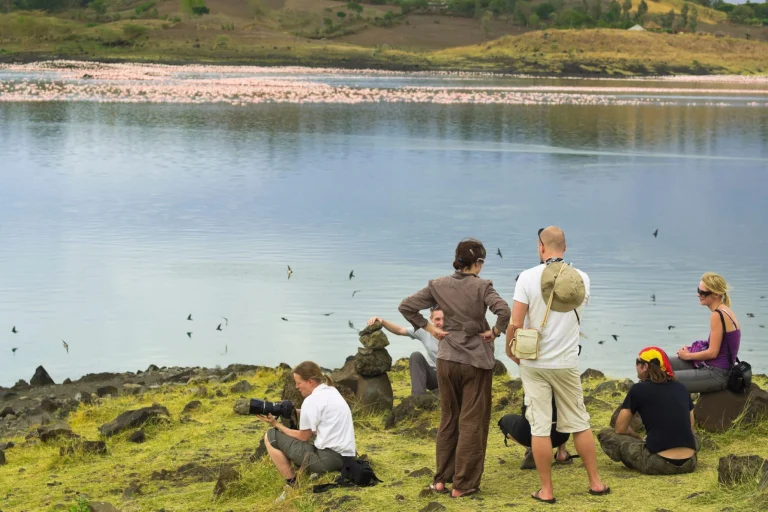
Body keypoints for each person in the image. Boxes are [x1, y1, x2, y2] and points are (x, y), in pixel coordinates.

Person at [399, 238, 510, 498]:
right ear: (478, 263)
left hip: (446, 361)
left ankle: (441, 480)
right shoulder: (483, 287)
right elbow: (503, 311)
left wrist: (431, 329)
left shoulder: (438, 285)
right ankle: (463, 484)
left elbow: (406, 307)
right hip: (475, 362)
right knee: (472, 421)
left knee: (449, 418)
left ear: (457, 261)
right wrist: (494, 332)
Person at [506, 226, 608, 504]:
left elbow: (516, 323)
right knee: (579, 422)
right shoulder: (582, 278)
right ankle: (596, 483)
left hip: (534, 361)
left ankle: (547, 491)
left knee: (539, 426)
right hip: (566, 361)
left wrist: (510, 351)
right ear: (565, 246)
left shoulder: (527, 277)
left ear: (541, 246)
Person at [258, 361, 356, 502]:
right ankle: (310, 473)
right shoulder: (331, 391)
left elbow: (303, 437)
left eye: (298, 383)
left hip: (329, 460)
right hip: (347, 457)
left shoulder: (312, 400)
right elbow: (319, 415)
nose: (297, 387)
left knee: (271, 436)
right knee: (305, 438)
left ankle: (291, 485)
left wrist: (276, 425)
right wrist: (293, 411)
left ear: (310, 381)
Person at [598, 347, 699, 475]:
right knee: (695, 435)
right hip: (690, 462)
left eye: (637, 362)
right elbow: (690, 427)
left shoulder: (638, 389)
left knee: (606, 434)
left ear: (645, 366)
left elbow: (620, 428)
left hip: (657, 462)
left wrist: (638, 437)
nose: (635, 366)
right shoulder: (682, 388)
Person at [670, 272, 741, 393]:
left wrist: (687, 356)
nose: (699, 295)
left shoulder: (717, 315)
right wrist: (691, 350)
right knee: (661, 361)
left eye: (703, 292)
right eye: (699, 290)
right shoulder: (725, 310)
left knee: (665, 380)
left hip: (718, 374)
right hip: (710, 366)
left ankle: (685, 411)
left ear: (716, 294)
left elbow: (713, 353)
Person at [367, 307, 443, 396]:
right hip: (435, 379)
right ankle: (417, 399)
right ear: (431, 319)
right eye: (437, 319)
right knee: (416, 356)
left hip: (453, 379)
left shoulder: (457, 333)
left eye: (444, 319)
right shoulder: (425, 331)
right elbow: (399, 330)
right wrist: (382, 321)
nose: (441, 323)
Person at [498, 396, 576, 470]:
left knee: (504, 421)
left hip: (529, 435)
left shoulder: (531, 382)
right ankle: (561, 452)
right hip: (560, 436)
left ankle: (531, 448)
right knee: (562, 414)